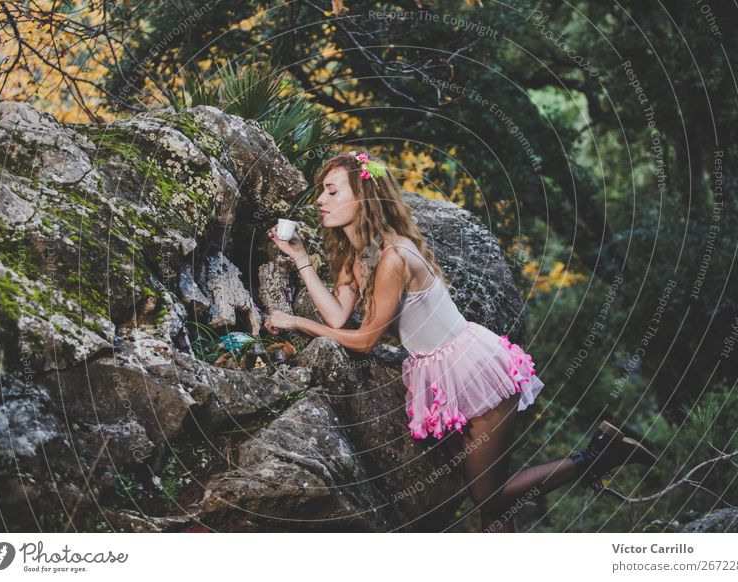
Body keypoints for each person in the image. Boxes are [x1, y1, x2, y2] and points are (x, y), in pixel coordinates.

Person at [265, 151, 657, 532]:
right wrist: (299, 255)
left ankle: (599, 455)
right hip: (440, 374)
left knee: (489, 498)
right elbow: (336, 316)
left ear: (363, 196)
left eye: (332, 191)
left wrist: (297, 321)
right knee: (493, 510)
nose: (320, 199)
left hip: (472, 371)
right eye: (322, 191)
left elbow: (365, 340)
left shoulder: (391, 257)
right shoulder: (360, 256)